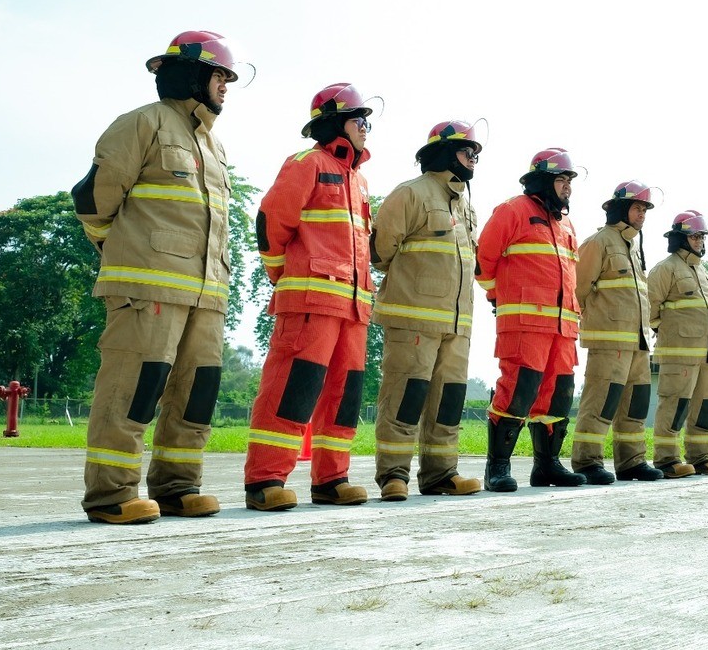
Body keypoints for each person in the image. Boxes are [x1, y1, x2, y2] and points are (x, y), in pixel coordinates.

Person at [71, 30, 250, 524]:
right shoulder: (142, 123)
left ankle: (176, 487)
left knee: (197, 393)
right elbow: (94, 200)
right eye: (219, 75)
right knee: (133, 389)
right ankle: (111, 493)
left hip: (207, 295)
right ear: (192, 74)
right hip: (147, 286)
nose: (226, 86)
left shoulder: (213, 145)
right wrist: (119, 249)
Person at [243, 83, 377, 511]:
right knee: (291, 389)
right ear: (336, 122)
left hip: (353, 309)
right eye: (359, 120)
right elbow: (271, 223)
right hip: (310, 303)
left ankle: (332, 479)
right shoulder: (307, 163)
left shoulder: (359, 180)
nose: (366, 128)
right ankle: (265, 479)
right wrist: (285, 277)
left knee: (344, 394)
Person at [370, 121, 484, 500]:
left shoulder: (466, 207)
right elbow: (380, 253)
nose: (474, 159)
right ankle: (393, 475)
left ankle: (441, 473)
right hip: (413, 321)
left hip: (458, 326)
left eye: (476, 154)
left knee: (448, 402)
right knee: (405, 397)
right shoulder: (410, 194)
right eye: (468, 151)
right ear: (445, 152)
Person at [475, 148, 587, 491]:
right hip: (524, 324)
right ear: (542, 180)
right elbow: (483, 262)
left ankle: (547, 466)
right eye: (561, 180)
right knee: (518, 390)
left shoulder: (566, 224)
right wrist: (498, 298)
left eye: (569, 181)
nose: (567, 187)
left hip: (563, 328)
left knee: (558, 395)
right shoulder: (513, 211)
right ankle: (497, 467)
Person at [571, 182, 663, 483]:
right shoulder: (598, 243)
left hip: (638, 344)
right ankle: (587, 462)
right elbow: (577, 291)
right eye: (637, 208)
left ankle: (631, 462)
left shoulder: (633, 248)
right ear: (622, 209)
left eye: (645, 210)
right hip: (608, 343)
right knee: (601, 402)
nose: (642, 214)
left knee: (635, 405)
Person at [647, 211, 708, 477]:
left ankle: (700, 457)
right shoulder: (665, 269)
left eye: (702, 236)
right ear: (680, 238)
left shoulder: (704, 273)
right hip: (677, 354)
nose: (699, 241)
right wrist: (666, 330)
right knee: (674, 404)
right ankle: (667, 459)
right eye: (694, 236)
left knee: (704, 406)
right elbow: (649, 308)